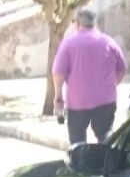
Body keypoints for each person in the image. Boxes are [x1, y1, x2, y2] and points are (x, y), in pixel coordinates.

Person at [51, 8, 126, 144]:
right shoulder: (108, 42)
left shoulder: (68, 43)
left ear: (77, 23)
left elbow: (59, 72)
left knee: (77, 141)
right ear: (94, 23)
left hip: (77, 102)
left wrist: (58, 94)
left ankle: (80, 158)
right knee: (105, 137)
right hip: (105, 101)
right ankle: (104, 157)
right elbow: (122, 69)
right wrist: (111, 85)